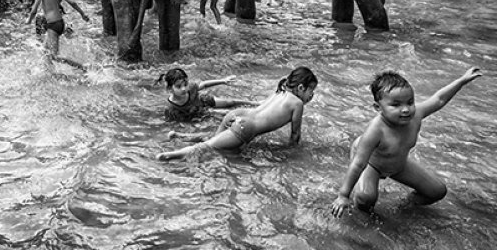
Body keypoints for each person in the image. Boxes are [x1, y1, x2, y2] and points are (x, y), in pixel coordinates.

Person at [331, 67, 481, 217]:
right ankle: (363, 216)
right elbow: (358, 163)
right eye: (396, 105)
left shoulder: (415, 116)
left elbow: (439, 99)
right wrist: (343, 195)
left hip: (397, 163)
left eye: (410, 102)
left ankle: (404, 207)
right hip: (372, 163)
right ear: (378, 107)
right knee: (366, 197)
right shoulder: (376, 130)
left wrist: (462, 81)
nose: (405, 110)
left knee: (437, 191)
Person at [157, 67, 318, 161]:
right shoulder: (297, 104)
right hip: (245, 127)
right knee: (209, 147)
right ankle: (171, 155)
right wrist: (292, 156)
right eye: (311, 90)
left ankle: (179, 136)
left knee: (215, 141)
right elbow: (295, 137)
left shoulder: (280, 91)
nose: (312, 95)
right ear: (301, 88)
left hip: (237, 114)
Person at [26, 0, 89, 66]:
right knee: (44, 51)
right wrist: (83, 14)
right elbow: (72, 2)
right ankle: (50, 73)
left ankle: (82, 67)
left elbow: (34, 10)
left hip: (53, 25)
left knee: (54, 56)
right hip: (60, 23)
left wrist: (28, 20)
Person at [156, 68, 259, 123]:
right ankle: (253, 114)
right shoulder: (171, 108)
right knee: (224, 113)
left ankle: (254, 103)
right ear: (170, 89)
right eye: (179, 86)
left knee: (230, 102)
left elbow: (204, 84)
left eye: (185, 84)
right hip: (195, 112)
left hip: (202, 101)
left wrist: (223, 81)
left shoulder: (191, 88)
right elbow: (173, 123)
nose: (184, 88)